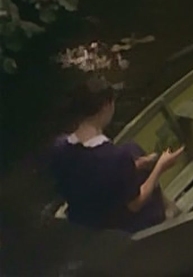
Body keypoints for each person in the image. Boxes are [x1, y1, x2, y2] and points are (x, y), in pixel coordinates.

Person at [48, 76, 184, 233]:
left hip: (83, 221)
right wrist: (160, 167)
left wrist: (138, 164)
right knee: (141, 166)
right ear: (106, 106)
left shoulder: (59, 147)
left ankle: (168, 205)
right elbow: (135, 205)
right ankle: (168, 212)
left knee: (132, 149)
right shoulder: (115, 157)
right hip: (117, 229)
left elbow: (91, 174)